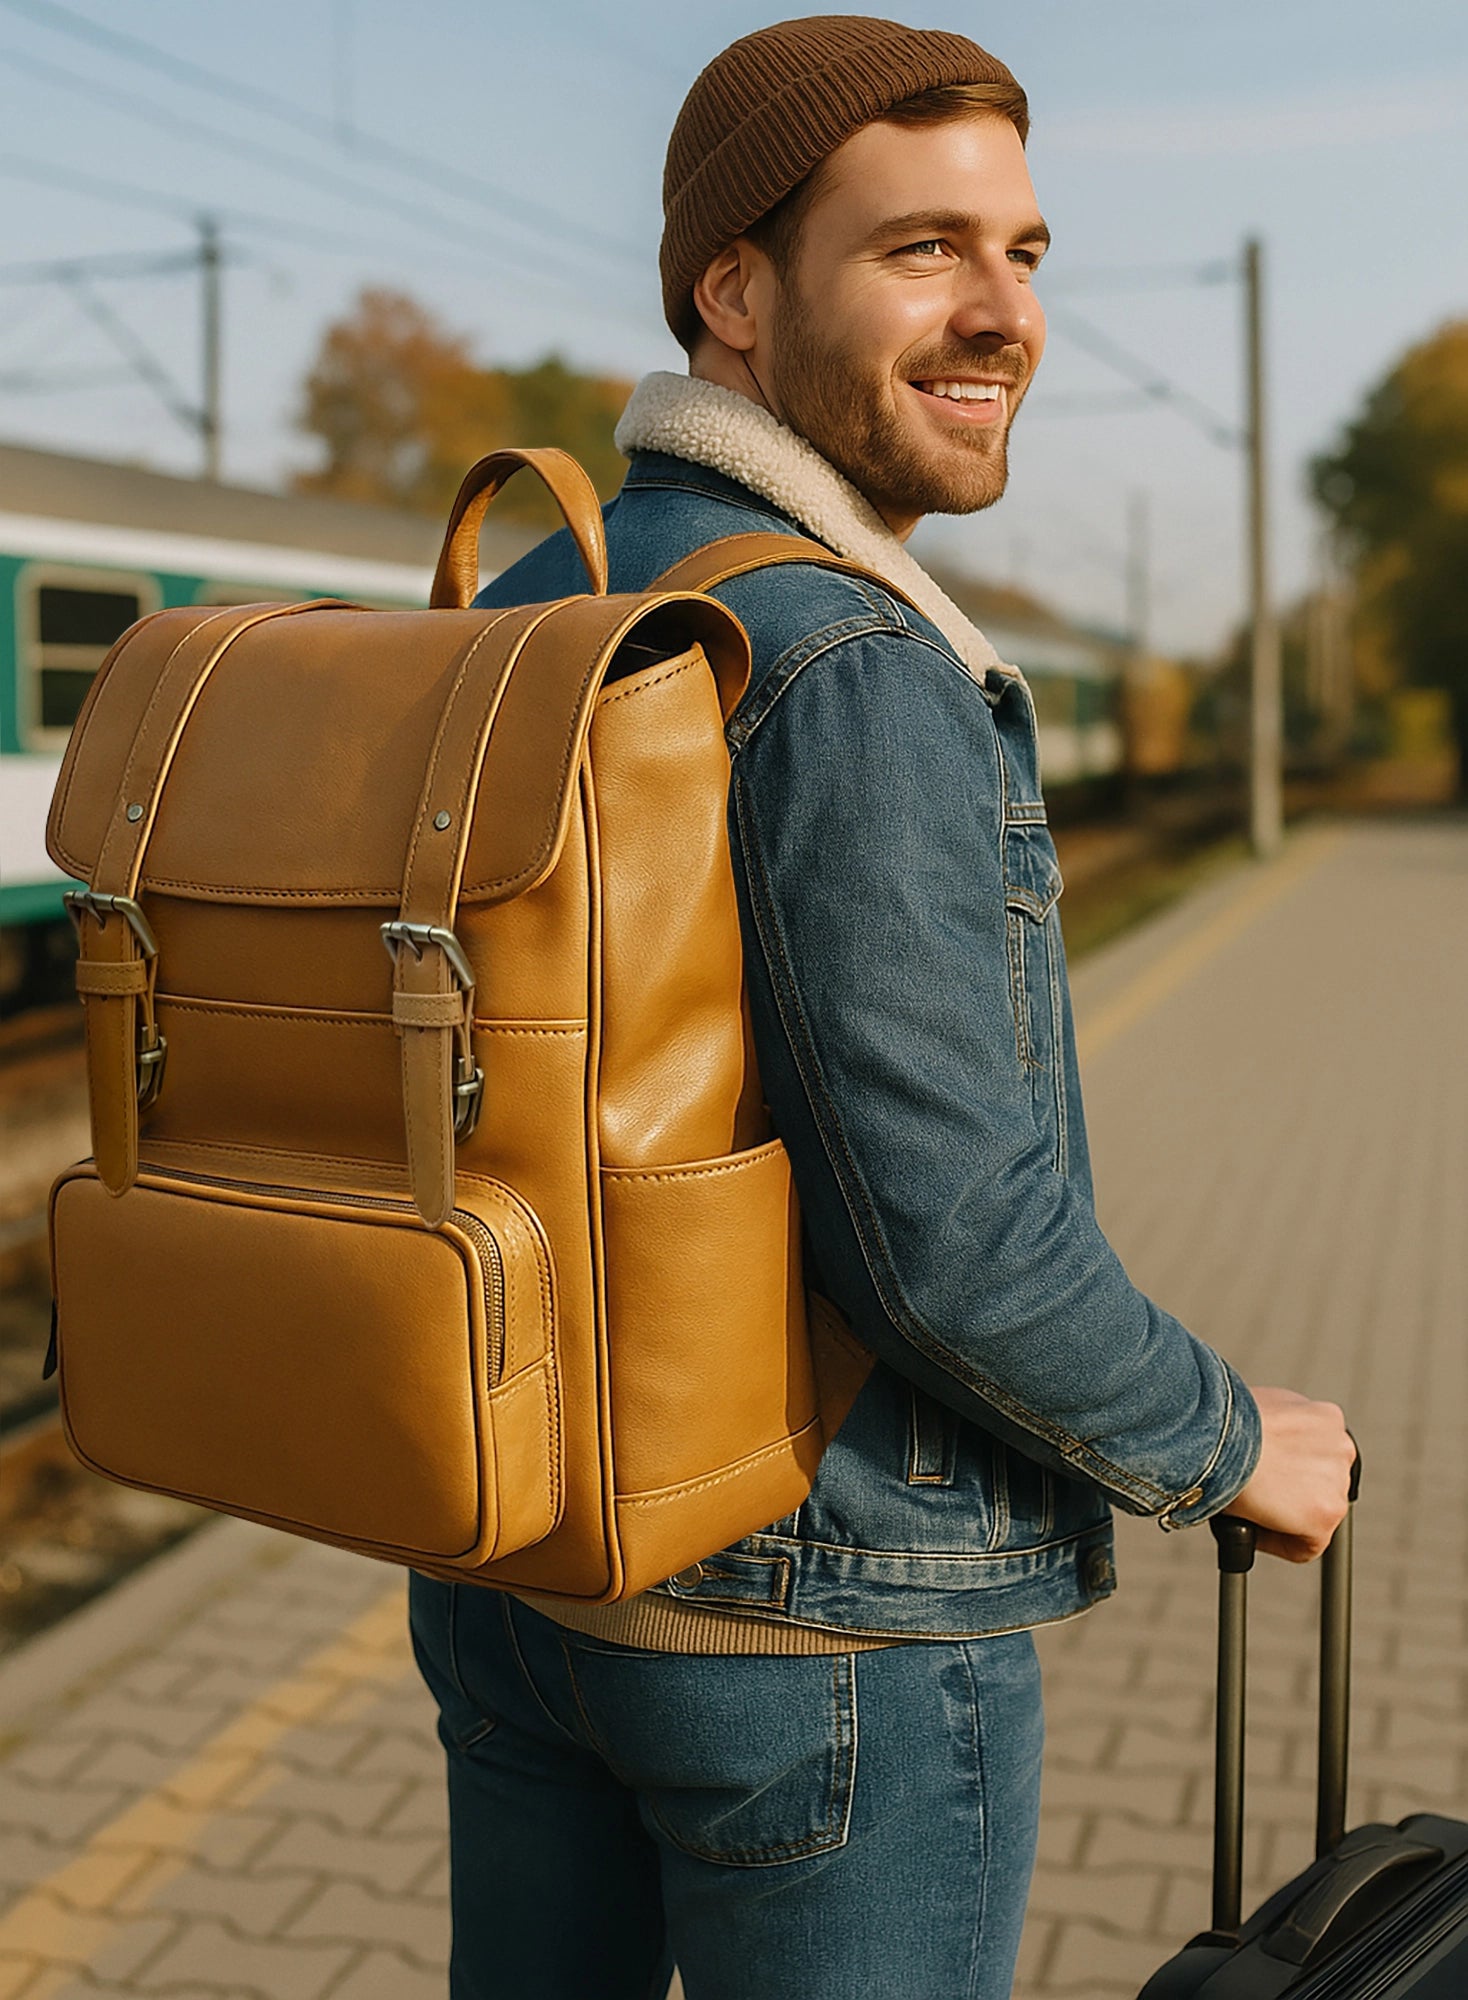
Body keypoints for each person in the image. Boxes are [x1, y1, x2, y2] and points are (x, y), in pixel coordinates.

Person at [407, 18, 1355, 1998]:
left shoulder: (529, 603)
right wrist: (1214, 1439)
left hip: (515, 1561)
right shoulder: (845, 660)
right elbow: (947, 1245)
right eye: (921, 249)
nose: (997, 310)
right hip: (814, 1631)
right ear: (730, 295)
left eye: (1022, 254)